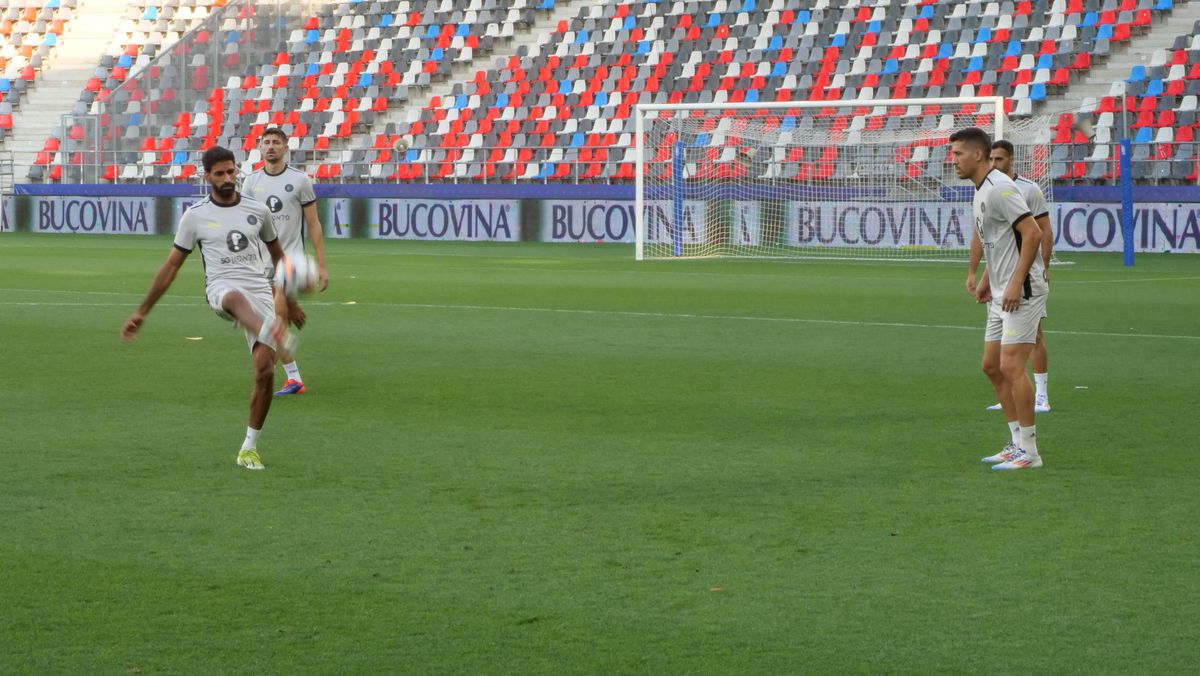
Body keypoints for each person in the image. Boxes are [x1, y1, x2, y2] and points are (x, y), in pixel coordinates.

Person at [121, 145, 297, 471]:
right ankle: (266, 327)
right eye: (220, 174)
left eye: (231, 171)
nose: (228, 178)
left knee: (265, 372)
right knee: (233, 298)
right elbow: (171, 266)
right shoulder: (195, 216)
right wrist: (142, 311)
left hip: (259, 291)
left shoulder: (258, 211)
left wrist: (291, 300)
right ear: (207, 177)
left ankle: (248, 448)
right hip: (221, 289)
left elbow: (278, 257)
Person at [952, 127, 1049, 470]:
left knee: (1011, 366)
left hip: (1021, 291)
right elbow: (998, 242)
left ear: (978, 154)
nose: (954, 161)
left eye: (959, 154)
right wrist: (986, 280)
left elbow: (1032, 233)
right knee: (991, 366)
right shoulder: (980, 191)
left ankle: (1031, 453)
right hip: (1001, 290)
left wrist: (1014, 281)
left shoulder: (1001, 188)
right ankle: (1015, 442)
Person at [242, 127, 328, 396]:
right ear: (260, 147)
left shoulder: (300, 180)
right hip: (261, 261)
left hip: (291, 258)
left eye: (276, 143)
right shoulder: (251, 182)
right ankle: (288, 374)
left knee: (276, 313)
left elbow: (313, 224)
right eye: (266, 142)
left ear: (286, 147)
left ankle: (287, 378)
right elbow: (246, 224)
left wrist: (322, 265)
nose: (271, 147)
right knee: (274, 317)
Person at [985, 140, 1052, 413]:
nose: (994, 164)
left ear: (1010, 160)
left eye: (999, 159)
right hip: (1002, 278)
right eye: (991, 159)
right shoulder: (988, 191)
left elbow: (1043, 230)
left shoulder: (1029, 189)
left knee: (1035, 335)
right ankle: (1013, 394)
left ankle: (1042, 395)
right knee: (1003, 345)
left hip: (1027, 278)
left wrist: (1044, 266)